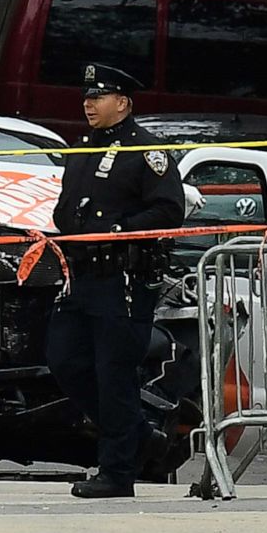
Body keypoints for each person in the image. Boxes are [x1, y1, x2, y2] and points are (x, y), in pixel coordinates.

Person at [46, 63, 185, 499]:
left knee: (114, 374)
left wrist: (121, 230)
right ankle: (139, 436)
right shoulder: (83, 147)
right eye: (86, 97)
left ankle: (117, 472)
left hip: (122, 279)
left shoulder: (147, 152)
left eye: (98, 97)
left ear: (122, 103)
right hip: (81, 275)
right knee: (64, 361)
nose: (88, 104)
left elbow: (168, 209)